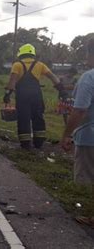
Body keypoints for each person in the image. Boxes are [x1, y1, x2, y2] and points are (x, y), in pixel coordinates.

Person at [3, 44, 66, 150]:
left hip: (22, 96)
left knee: (24, 118)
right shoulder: (40, 65)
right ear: (33, 54)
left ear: (21, 54)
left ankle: (26, 144)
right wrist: (61, 90)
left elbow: (12, 82)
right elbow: (52, 77)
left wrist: (7, 94)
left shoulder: (17, 65)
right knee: (38, 117)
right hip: (36, 95)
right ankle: (39, 143)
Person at [61, 39, 94, 227]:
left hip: (90, 137)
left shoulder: (89, 77)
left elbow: (79, 110)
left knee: (90, 178)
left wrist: (67, 134)